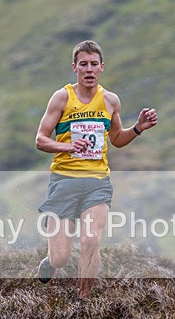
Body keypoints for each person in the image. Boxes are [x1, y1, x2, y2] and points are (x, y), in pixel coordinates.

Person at [35, 40, 158, 300]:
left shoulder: (111, 101)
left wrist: (137, 129)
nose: (88, 69)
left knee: (91, 240)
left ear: (102, 67)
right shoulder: (62, 97)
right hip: (64, 180)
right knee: (61, 258)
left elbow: (116, 139)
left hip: (97, 182)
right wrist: (67, 147)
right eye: (83, 64)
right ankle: (50, 260)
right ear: (75, 68)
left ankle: (84, 299)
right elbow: (40, 139)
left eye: (93, 64)